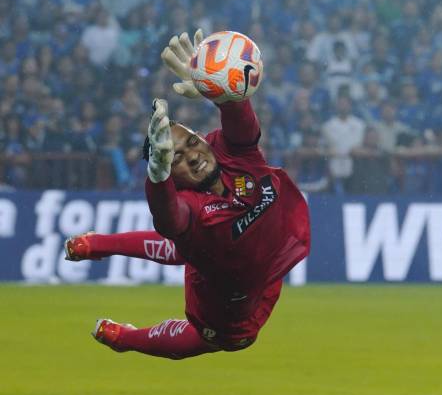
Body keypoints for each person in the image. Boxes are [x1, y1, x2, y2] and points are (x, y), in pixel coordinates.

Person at [64, 29, 310, 359]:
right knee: (220, 339)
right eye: (175, 157)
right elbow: (168, 216)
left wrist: (221, 93)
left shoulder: (231, 153)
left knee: (183, 249)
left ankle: (97, 244)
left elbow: (242, 125)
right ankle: (127, 339)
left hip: (268, 263)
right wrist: (158, 174)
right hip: (229, 302)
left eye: (192, 142)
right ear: (173, 178)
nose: (192, 155)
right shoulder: (191, 208)